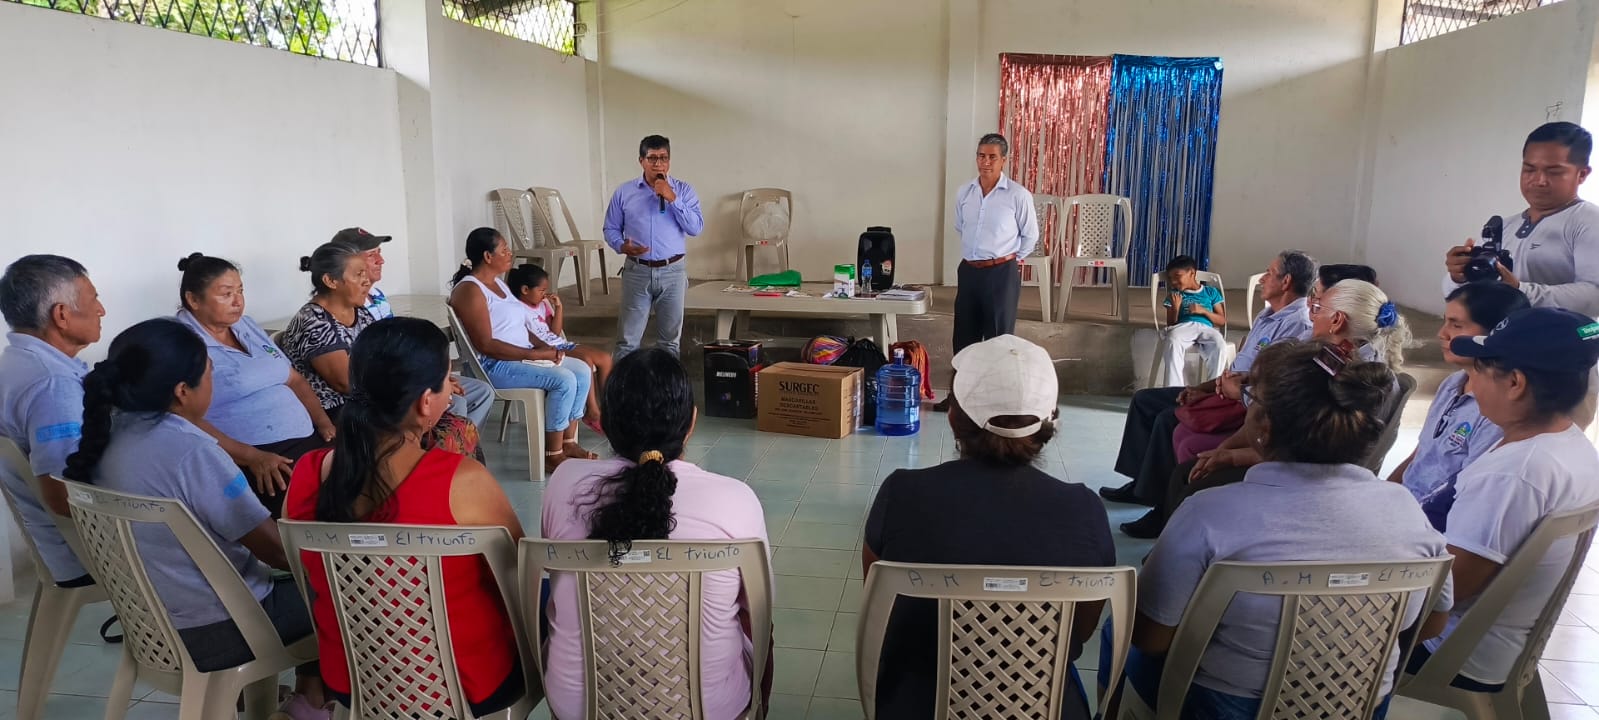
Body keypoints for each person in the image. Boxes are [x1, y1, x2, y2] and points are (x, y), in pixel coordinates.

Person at [1099, 340, 1452, 719]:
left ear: (1264, 426)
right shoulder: (1406, 509)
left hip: (1229, 707)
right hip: (1356, 704)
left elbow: (1151, 636)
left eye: (1252, 398)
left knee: (1115, 630)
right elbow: (1432, 622)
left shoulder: (1209, 513)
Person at [62, 318, 330, 720]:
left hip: (151, 625)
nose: (213, 383)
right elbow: (276, 551)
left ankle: (273, 699)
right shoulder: (193, 451)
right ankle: (310, 703)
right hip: (222, 631)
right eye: (210, 374)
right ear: (182, 391)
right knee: (339, 592)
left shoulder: (104, 436)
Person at [864, 334, 1113, 720]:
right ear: (1050, 420)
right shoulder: (1085, 510)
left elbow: (879, 609)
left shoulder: (902, 494)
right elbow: (1078, 632)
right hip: (1045, 704)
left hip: (918, 701)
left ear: (953, 417)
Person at [285, 317, 525, 717]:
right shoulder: (462, 480)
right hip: (466, 681)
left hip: (351, 678)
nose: (451, 390)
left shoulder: (306, 474)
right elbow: (519, 571)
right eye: (447, 380)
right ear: (425, 402)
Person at [540, 348, 767, 720]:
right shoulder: (736, 500)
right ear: (691, 422)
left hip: (579, 707)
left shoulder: (563, 483)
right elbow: (757, 614)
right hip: (710, 709)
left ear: (606, 423)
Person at [1124, 279, 1415, 539]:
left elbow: (1310, 454)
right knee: (1186, 466)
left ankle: (1177, 549)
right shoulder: (1332, 361)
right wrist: (1225, 449)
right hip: (1298, 463)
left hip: (1308, 479)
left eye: (1317, 308)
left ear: (1337, 321)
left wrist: (1232, 455)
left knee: (1194, 482)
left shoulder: (1358, 382)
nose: (1311, 314)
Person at [1409, 307, 1599, 691]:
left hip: (1446, 654)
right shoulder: (1571, 446)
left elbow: (1446, 592)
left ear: (1515, 383)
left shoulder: (1514, 474)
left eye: (1479, 369)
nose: (1471, 381)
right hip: (1495, 649)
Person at [1100, 251, 1315, 511]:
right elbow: (1238, 368)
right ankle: (1140, 485)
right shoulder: (1268, 315)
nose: (1262, 280)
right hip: (1224, 391)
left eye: (1269, 273)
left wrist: (1226, 391)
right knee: (1144, 400)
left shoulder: (1298, 325)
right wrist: (1201, 388)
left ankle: (1159, 502)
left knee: (1167, 418)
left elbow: (1269, 386)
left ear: (1286, 281)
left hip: (1244, 404)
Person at [279, 243, 482, 458]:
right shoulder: (314, 322)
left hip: (376, 393)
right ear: (331, 280)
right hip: (345, 408)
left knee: (475, 393)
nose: (367, 280)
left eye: (365, 273)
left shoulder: (359, 312)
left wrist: (434, 376)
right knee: (453, 406)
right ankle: (430, 467)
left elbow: (389, 354)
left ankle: (443, 464)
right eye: (359, 274)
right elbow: (347, 383)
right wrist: (423, 383)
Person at [173, 253, 333, 517]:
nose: (238, 301)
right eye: (226, 294)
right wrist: (252, 457)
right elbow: (181, 416)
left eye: (240, 291)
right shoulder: (181, 342)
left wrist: (323, 422)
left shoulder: (245, 325)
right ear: (193, 300)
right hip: (258, 456)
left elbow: (293, 379)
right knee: (322, 506)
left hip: (307, 437)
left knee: (364, 477)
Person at [448, 228, 595, 473]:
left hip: (521, 356)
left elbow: (519, 327)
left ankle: (568, 442)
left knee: (581, 370)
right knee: (564, 379)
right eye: (504, 250)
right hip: (495, 365)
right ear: (487, 256)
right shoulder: (470, 290)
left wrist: (544, 347)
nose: (510, 253)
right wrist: (535, 355)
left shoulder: (499, 284)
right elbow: (485, 345)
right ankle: (552, 454)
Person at [1388, 283, 1528, 530]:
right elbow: (1419, 456)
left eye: (1456, 325)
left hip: (1430, 526)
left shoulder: (1498, 409)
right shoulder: (1452, 383)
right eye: (1445, 322)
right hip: (1403, 510)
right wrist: (1384, 496)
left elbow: (1463, 496)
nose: (1442, 334)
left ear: (1495, 334)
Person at [0, 255, 104, 588]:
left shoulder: (16, 361)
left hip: (55, 541)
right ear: (61, 315)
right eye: (94, 299)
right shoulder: (51, 383)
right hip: (84, 551)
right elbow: (63, 496)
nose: (101, 310)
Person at [331, 226, 496, 428]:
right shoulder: (340, 309)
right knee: (455, 402)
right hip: (384, 386)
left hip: (402, 374)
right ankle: (438, 447)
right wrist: (432, 381)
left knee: (482, 392)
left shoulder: (376, 297)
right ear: (346, 263)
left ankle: (461, 443)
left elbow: (396, 348)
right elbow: (358, 374)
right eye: (372, 255)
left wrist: (438, 375)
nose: (381, 261)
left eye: (379, 253)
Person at [1442, 122, 1599, 316]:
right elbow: (1453, 295)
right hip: (1501, 334)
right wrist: (1458, 276)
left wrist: (1519, 290)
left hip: (1558, 335)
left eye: (1554, 172)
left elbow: (1595, 296)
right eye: (1529, 169)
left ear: (1582, 174)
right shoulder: (1504, 227)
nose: (1539, 181)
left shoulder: (1589, 222)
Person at [933, 133, 1040, 412]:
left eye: (992, 157)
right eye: (981, 156)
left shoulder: (1017, 195)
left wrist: (1008, 260)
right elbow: (960, 226)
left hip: (1001, 272)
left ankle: (997, 402)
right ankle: (959, 398)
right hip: (970, 271)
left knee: (999, 341)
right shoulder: (965, 192)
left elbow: (1030, 236)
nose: (986, 162)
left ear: (1004, 160)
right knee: (964, 337)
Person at [603, 134, 704, 358]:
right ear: (641, 161)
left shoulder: (684, 191)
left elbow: (695, 228)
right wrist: (621, 246)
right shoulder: (624, 192)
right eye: (652, 158)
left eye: (663, 158)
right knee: (627, 341)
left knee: (669, 343)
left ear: (669, 161)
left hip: (672, 272)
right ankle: (623, 381)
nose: (658, 163)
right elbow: (610, 228)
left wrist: (672, 198)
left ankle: (668, 382)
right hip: (637, 271)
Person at [506, 263, 613, 433]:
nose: (544, 294)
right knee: (585, 360)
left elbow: (554, 332)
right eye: (541, 290)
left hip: (559, 342)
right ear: (525, 290)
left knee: (605, 359)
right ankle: (592, 410)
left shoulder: (541, 304)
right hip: (547, 349)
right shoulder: (516, 309)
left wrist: (558, 307)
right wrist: (548, 348)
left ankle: (609, 411)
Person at [1155, 255, 1227, 387]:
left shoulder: (1210, 292)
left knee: (1219, 344)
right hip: (1184, 327)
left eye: (1177, 276)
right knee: (1173, 338)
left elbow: (1222, 321)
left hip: (1206, 328)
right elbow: (1171, 324)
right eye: (1170, 278)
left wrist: (1203, 311)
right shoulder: (1175, 295)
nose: (1173, 282)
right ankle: (1173, 388)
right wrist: (1175, 308)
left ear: (1192, 273)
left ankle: (1213, 387)